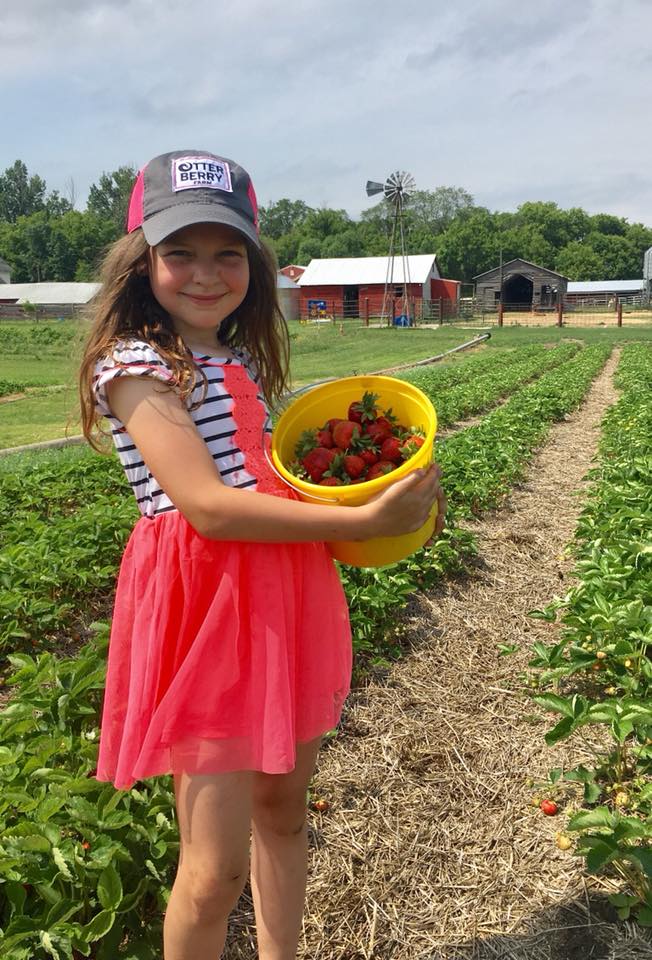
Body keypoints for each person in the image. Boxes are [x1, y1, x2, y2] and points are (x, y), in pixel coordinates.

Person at [78, 149, 446, 960]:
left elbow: (271, 482)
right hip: (205, 610)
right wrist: (349, 521)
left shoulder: (237, 360)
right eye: (181, 252)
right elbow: (207, 508)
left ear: (254, 261)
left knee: (283, 812)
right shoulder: (136, 366)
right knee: (211, 873)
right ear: (143, 263)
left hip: (282, 593)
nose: (206, 273)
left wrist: (384, 505)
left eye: (228, 253)